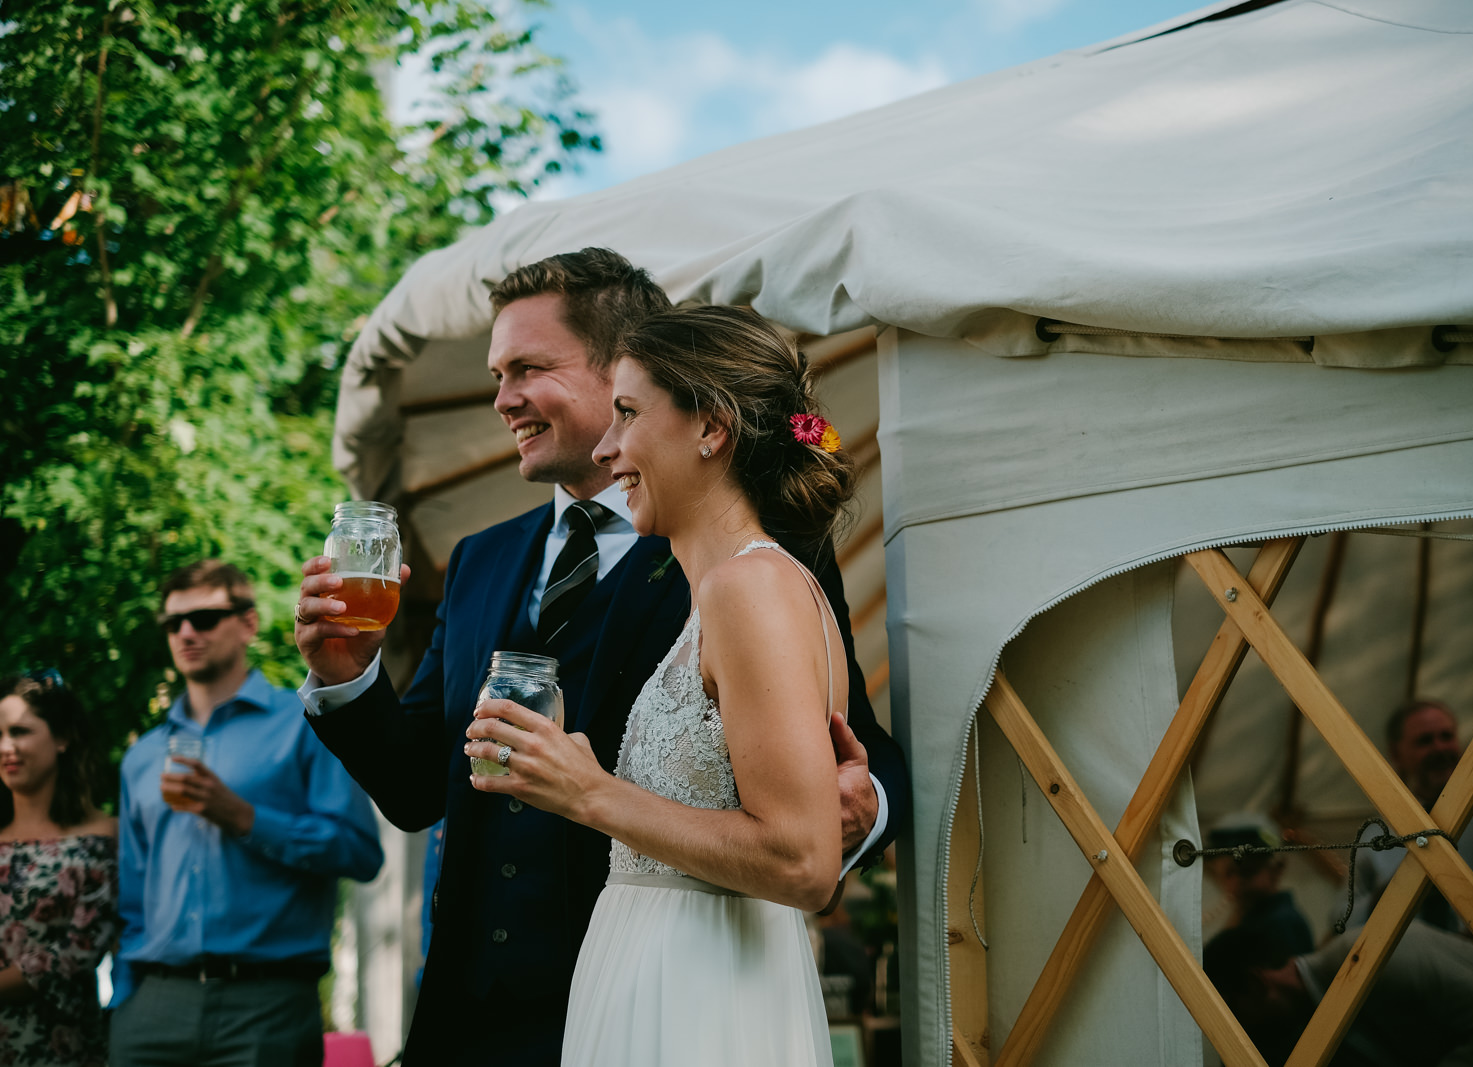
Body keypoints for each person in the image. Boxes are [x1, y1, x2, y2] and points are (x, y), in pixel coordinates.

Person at [293, 249, 908, 1064]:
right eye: (495, 371)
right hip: (472, 1018)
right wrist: (348, 677)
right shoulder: (481, 560)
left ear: (619, 363)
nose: (502, 397)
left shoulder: (756, 563)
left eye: (528, 367)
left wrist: (861, 804)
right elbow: (418, 787)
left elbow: (848, 749)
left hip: (670, 989)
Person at [461, 304, 850, 1063]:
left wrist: (589, 792)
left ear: (711, 429)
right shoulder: (724, 592)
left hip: (700, 999)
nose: (606, 450)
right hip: (668, 975)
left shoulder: (751, 590)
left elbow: (803, 860)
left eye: (628, 414)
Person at [111, 562, 383, 1067]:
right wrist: (126, 1000)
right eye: (173, 624)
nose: (186, 632)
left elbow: (360, 853)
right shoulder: (143, 756)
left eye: (206, 618)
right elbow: (133, 894)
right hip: (152, 1007)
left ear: (249, 624)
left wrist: (243, 817)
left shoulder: (307, 726)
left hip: (266, 1006)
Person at [1205, 919, 1473, 1067]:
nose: (1241, 1033)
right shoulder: (1327, 1004)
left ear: (1256, 984)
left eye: (1234, 1017)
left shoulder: (1365, 958)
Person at [0, 671, 118, 1067]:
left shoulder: (104, 837)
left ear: (62, 738)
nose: (6, 747)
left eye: (19, 731)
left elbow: (73, 955)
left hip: (59, 1047)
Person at [1345, 700, 1473, 931]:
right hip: (1403, 956)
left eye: (1446, 736)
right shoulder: (1376, 835)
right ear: (1396, 753)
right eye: (1425, 741)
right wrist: (1386, 898)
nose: (1440, 748)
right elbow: (1340, 915)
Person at [1204, 814, 1313, 959]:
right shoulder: (1249, 920)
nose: (1236, 882)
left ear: (1276, 869)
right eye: (1228, 874)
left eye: (1247, 871)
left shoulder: (1280, 926)